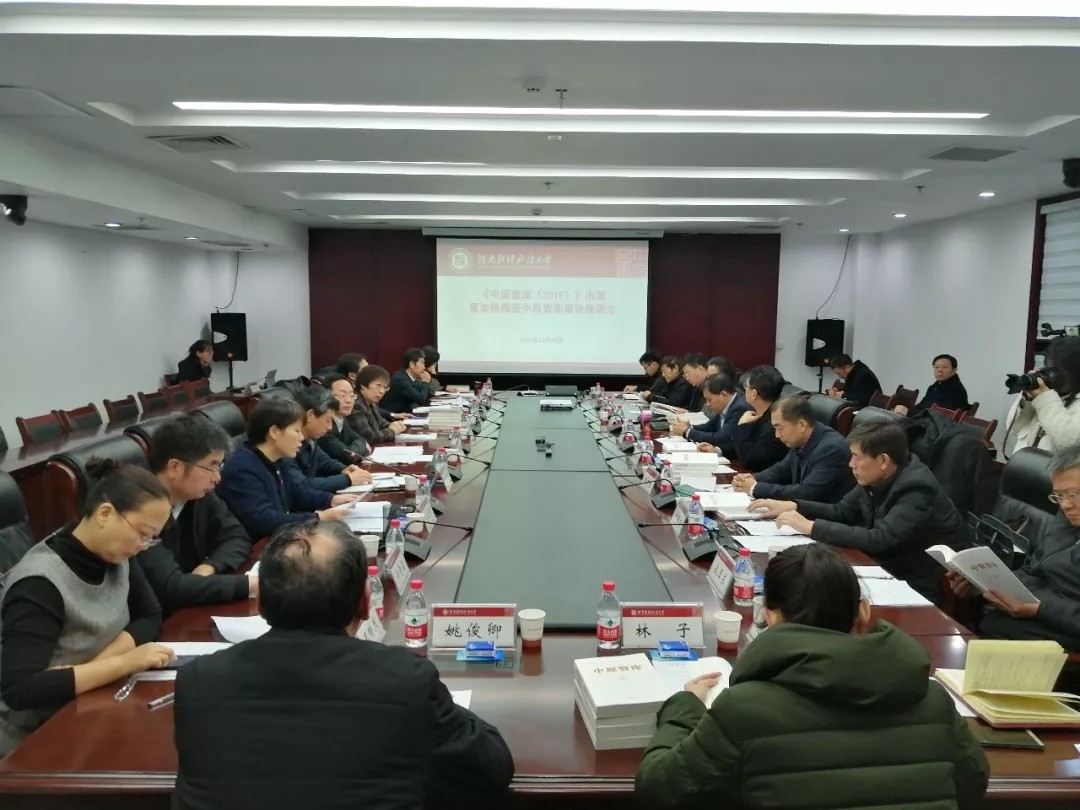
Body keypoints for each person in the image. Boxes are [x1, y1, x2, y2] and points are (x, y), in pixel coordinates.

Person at [172, 519, 515, 810]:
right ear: (365, 603)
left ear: (260, 601)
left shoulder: (198, 681)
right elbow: (490, 768)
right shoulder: (403, 681)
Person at [635, 544, 989, 810]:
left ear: (771, 617)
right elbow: (972, 785)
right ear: (863, 612)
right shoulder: (933, 700)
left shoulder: (743, 709)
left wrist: (684, 707)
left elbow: (659, 789)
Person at [0, 461, 177, 756]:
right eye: (143, 533)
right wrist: (124, 663)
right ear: (105, 513)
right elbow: (21, 689)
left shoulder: (117, 554)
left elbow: (150, 616)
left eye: (152, 538)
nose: (143, 545)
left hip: (93, 704)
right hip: (36, 736)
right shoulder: (39, 583)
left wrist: (98, 666)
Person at [750, 421, 971, 603]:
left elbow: (881, 539)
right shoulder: (877, 476)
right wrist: (795, 506)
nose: (851, 464)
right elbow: (842, 511)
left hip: (921, 582)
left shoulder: (916, 487)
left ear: (883, 460)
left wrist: (810, 527)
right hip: (884, 567)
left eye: (857, 457)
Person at [950, 445, 1080, 651]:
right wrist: (983, 583)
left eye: (1073, 494)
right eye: (1059, 496)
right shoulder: (1066, 520)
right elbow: (1036, 569)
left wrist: (1040, 610)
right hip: (1036, 616)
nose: (1065, 505)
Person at [136, 415, 256, 615]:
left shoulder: (197, 493)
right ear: (175, 467)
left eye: (219, 466)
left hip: (190, 604)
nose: (217, 477)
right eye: (211, 466)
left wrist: (207, 568)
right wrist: (250, 585)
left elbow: (237, 536)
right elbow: (172, 587)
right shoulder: (137, 506)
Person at [217, 397, 357, 539]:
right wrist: (318, 517)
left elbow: (297, 493)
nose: (301, 437)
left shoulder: (278, 459)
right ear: (274, 432)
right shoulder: (242, 469)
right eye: (297, 431)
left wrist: (330, 500)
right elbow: (263, 520)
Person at [732, 396, 855, 503]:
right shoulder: (802, 440)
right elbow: (780, 471)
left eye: (780, 428)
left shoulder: (831, 449)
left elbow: (806, 493)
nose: (777, 435)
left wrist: (755, 487)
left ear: (802, 425)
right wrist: (751, 478)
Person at [287, 387, 372, 493]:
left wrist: (343, 469)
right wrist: (347, 479)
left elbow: (324, 461)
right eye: (328, 420)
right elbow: (299, 485)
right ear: (310, 415)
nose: (330, 427)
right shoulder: (287, 444)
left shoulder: (310, 438)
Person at [1007, 335, 1080, 453]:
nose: (1051, 375)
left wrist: (1044, 398)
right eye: (1048, 368)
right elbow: (1014, 428)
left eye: (1056, 370)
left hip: (1052, 465)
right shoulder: (1046, 392)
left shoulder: (1049, 398)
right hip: (1023, 462)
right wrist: (1028, 398)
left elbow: (1069, 443)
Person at [671, 374, 750, 459]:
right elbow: (709, 426)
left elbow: (721, 438)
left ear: (723, 395)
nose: (707, 404)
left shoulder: (739, 408)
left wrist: (687, 432)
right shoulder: (726, 405)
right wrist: (689, 427)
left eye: (709, 399)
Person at [730, 365, 788, 472]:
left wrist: (742, 425)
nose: (744, 390)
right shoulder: (761, 413)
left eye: (746, 386)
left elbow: (749, 459)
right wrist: (718, 449)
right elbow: (744, 444)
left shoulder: (773, 425)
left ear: (754, 394)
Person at [317, 374, 372, 463]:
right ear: (326, 397)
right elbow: (348, 457)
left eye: (351, 395)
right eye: (342, 395)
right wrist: (362, 447)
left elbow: (361, 439)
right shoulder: (324, 425)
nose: (349, 400)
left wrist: (358, 446)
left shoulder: (341, 419)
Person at [349, 364, 408, 445]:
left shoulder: (371, 403)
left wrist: (397, 425)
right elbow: (368, 438)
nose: (382, 391)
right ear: (363, 385)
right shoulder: (355, 405)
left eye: (385, 387)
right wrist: (392, 431)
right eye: (378, 386)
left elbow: (382, 424)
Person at [896, 354, 971, 416]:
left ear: (954, 370)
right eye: (936, 367)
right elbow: (921, 406)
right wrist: (906, 412)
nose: (939, 370)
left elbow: (938, 416)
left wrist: (908, 413)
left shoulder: (956, 390)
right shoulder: (933, 387)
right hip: (922, 421)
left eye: (944, 367)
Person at [381, 348, 432, 414]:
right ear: (412, 364)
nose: (424, 367)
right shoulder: (400, 379)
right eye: (422, 363)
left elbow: (426, 393)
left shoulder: (408, 377)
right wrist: (426, 382)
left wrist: (426, 383)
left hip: (403, 414)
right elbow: (421, 399)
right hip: (390, 417)